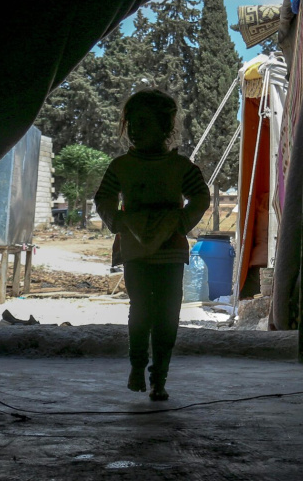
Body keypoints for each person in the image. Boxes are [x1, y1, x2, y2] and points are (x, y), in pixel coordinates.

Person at [93, 88, 210, 401]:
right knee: (141, 310)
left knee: (167, 314)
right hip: (134, 252)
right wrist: (117, 221)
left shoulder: (180, 167)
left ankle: (159, 377)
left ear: (165, 127)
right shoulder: (121, 167)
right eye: (132, 123)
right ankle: (137, 366)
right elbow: (103, 198)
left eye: (143, 122)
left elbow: (200, 195)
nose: (135, 130)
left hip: (169, 251)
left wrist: (182, 223)